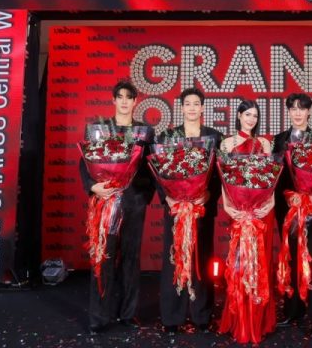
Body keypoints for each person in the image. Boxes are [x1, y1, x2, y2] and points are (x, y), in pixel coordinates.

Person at [79, 81, 155, 334]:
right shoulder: (99, 129)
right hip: (106, 201)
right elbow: (84, 161)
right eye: (120, 97)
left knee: (131, 260)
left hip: (134, 202)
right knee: (103, 257)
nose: (124, 101)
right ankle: (99, 317)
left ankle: (127, 314)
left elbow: (152, 166)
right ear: (113, 100)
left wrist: (143, 196)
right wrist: (93, 187)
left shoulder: (145, 132)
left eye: (128, 97)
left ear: (135, 101)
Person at [157, 87, 222, 335]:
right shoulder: (167, 137)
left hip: (201, 210)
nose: (192, 108)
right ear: (182, 107)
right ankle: (172, 317)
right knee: (174, 260)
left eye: (196, 103)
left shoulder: (214, 137)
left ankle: (201, 315)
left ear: (202, 108)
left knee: (201, 261)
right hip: (175, 210)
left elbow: (221, 174)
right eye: (188, 104)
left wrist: (208, 195)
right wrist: (168, 197)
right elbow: (159, 173)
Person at [219, 99, 277, 344]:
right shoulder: (227, 143)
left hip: (262, 214)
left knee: (261, 263)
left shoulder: (265, 143)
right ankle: (240, 320)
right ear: (239, 116)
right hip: (238, 213)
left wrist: (268, 205)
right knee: (240, 264)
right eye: (247, 115)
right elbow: (224, 180)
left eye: (255, 115)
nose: (251, 119)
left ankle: (260, 320)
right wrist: (229, 208)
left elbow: (271, 178)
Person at [272, 93, 312, 335]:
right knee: (290, 258)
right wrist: (288, 196)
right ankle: (293, 310)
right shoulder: (279, 139)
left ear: (309, 112)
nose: (297, 113)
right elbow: (274, 175)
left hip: (311, 208)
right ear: (288, 111)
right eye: (293, 108)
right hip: (286, 208)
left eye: (301, 108)